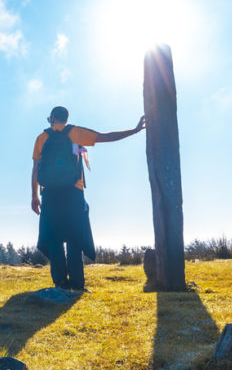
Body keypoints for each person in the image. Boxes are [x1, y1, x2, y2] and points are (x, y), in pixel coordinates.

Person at [31, 106, 146, 291]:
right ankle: (77, 285)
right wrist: (134, 130)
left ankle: (60, 284)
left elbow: (36, 169)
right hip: (73, 191)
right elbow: (106, 137)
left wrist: (34, 195)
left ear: (52, 118)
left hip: (49, 193)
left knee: (54, 239)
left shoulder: (41, 138)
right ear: (66, 118)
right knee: (75, 236)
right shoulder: (76, 132)